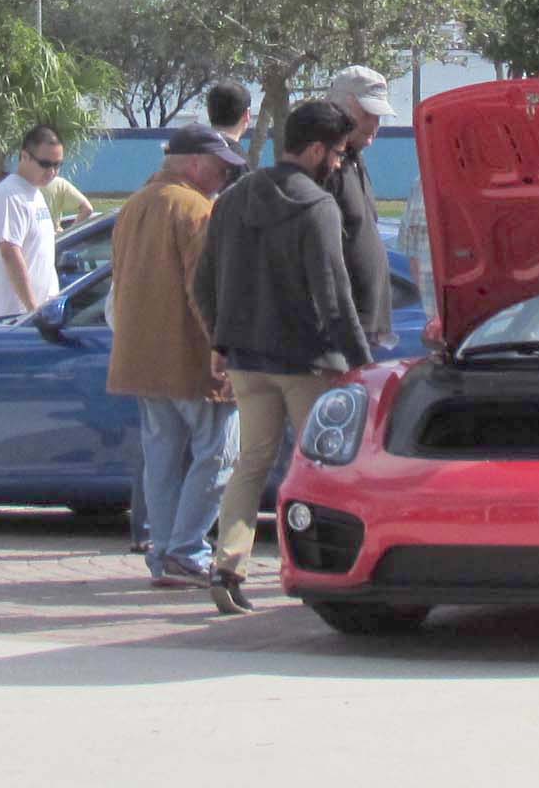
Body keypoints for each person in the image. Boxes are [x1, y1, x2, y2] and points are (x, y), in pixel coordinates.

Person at [193, 99, 372, 616]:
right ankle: (318, 567)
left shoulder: (231, 200)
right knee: (319, 468)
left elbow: (203, 282)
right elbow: (334, 297)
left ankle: (228, 564)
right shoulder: (316, 207)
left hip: (246, 359)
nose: (338, 163)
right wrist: (357, 362)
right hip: (305, 363)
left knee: (251, 464)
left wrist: (220, 341)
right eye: (336, 153)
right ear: (315, 149)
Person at [108, 124, 246, 588]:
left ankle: (166, 553)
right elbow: (203, 291)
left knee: (162, 459)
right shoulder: (195, 208)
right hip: (190, 358)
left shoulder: (133, 206)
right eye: (220, 166)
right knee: (220, 454)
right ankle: (186, 551)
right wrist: (222, 349)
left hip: (141, 358)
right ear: (192, 162)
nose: (225, 176)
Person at [323, 65, 396, 348]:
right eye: (369, 113)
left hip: (367, 327)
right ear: (345, 108)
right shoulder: (325, 167)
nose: (375, 124)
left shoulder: (354, 161)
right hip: (342, 331)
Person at [0, 125, 65, 322]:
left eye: (58, 164)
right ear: (25, 156)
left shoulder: (34, 193)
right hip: (13, 320)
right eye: (45, 164)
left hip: (37, 317)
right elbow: (10, 252)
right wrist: (33, 310)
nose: (52, 171)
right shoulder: (10, 195)